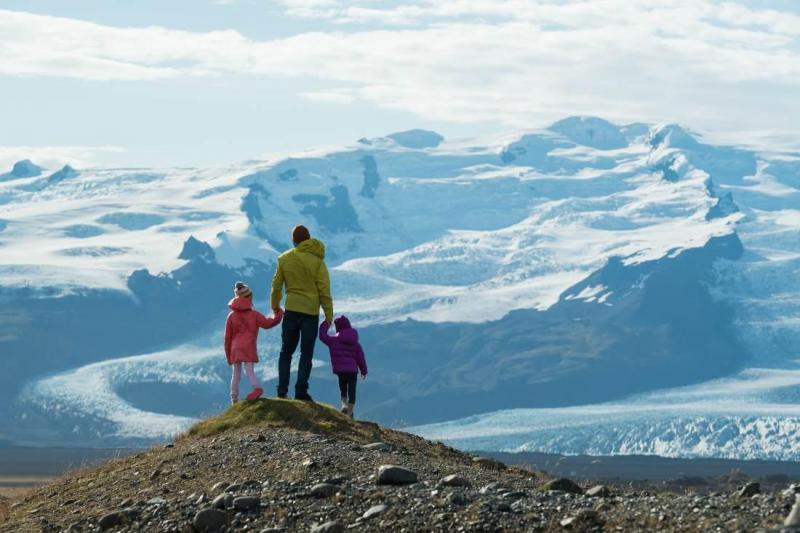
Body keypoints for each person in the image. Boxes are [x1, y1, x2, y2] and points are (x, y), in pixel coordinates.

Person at [270, 225, 334, 400]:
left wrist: (275, 306)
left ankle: (282, 391)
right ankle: (301, 391)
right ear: (309, 239)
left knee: (286, 352)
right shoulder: (318, 262)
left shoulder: (284, 259)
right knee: (306, 354)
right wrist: (329, 316)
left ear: (294, 240)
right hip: (310, 313)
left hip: (291, 310)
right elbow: (324, 291)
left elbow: (276, 286)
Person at [224, 281, 283, 404]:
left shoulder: (231, 316)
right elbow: (268, 324)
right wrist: (278, 314)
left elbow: (227, 338)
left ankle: (234, 399)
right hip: (248, 346)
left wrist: (228, 356)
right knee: (249, 370)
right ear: (249, 297)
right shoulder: (254, 314)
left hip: (235, 348)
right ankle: (257, 388)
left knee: (236, 374)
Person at [319, 315, 367, 418]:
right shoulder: (356, 343)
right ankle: (350, 412)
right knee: (352, 390)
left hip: (341, 371)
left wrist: (326, 323)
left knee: (343, 388)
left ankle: (344, 405)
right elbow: (361, 358)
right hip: (353, 371)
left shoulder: (333, 341)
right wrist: (364, 371)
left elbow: (322, 336)